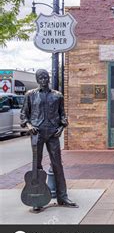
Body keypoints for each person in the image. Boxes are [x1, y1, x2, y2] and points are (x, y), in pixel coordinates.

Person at [20, 69, 78, 210]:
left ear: (49, 78)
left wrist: (61, 128)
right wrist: (29, 125)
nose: (44, 80)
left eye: (46, 77)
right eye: (41, 77)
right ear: (37, 79)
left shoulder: (57, 96)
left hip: (53, 133)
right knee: (36, 166)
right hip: (37, 133)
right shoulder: (30, 95)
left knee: (57, 164)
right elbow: (23, 114)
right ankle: (37, 199)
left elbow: (63, 115)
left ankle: (62, 197)